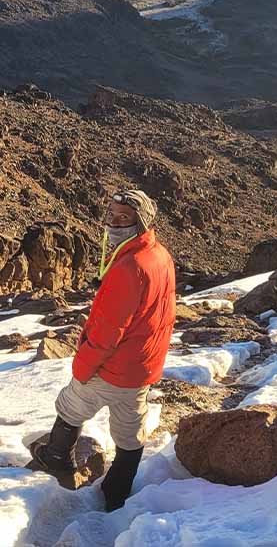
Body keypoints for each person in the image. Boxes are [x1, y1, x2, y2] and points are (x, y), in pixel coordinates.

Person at [31, 189, 176, 511]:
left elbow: (108, 331)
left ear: (142, 222)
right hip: (142, 364)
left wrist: (82, 366)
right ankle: (117, 492)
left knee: (71, 405)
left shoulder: (130, 266)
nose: (113, 222)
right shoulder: (159, 255)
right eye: (110, 214)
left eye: (123, 218)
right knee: (129, 430)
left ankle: (57, 459)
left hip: (114, 364)